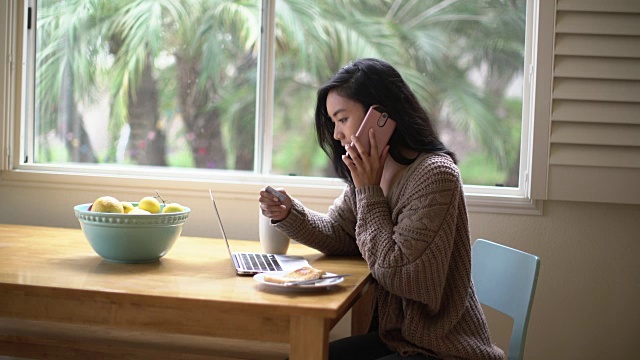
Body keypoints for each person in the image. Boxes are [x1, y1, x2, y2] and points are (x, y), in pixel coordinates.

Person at [258, 58, 504, 360]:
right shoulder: (375, 172)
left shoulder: (435, 175)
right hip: (398, 340)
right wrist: (289, 213)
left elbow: (398, 273)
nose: (336, 134)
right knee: (302, 355)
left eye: (342, 119)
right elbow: (341, 233)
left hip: (442, 349)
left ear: (380, 117)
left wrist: (368, 190)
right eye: (333, 122)